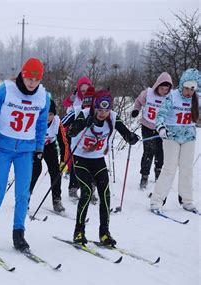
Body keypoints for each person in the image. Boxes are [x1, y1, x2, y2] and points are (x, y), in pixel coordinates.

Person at [0, 57, 50, 252]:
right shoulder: (6, 89)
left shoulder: (44, 97)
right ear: (23, 74)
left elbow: (41, 124)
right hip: (2, 148)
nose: (32, 83)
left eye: (36, 80)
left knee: (22, 194)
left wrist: (39, 149)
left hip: (25, 151)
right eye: (29, 79)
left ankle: (19, 233)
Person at [68, 90, 139, 246]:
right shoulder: (85, 113)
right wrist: (82, 124)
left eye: (106, 110)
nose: (103, 113)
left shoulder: (113, 117)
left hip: (98, 159)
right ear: (95, 106)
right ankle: (79, 232)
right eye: (100, 109)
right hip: (80, 158)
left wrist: (131, 138)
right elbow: (71, 132)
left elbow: (125, 132)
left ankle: (104, 233)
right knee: (86, 191)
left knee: (105, 194)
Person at [150, 68, 199, 214]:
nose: (189, 92)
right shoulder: (172, 96)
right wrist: (161, 127)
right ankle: (156, 201)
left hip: (189, 137)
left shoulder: (197, 98)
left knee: (187, 169)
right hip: (171, 137)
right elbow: (160, 115)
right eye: (186, 88)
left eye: (192, 89)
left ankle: (187, 201)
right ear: (182, 85)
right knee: (169, 168)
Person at [131, 72, 172, 189]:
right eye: (161, 88)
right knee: (148, 151)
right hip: (147, 126)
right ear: (157, 85)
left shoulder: (170, 97)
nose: (163, 91)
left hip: (162, 128)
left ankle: (158, 173)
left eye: (166, 89)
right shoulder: (148, 93)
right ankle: (144, 176)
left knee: (160, 151)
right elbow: (138, 101)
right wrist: (136, 110)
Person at [29, 99, 69, 212]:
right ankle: (25, 198)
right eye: (45, 113)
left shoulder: (57, 122)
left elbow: (64, 144)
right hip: (35, 147)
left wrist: (63, 161)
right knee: (36, 170)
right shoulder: (35, 120)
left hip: (49, 146)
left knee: (56, 172)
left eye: (50, 114)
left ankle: (57, 200)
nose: (47, 117)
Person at [61, 77, 94, 202]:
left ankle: (90, 189)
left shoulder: (94, 99)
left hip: (90, 137)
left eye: (86, 89)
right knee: (76, 162)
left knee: (92, 164)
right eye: (82, 90)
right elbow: (66, 109)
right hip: (75, 134)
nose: (84, 92)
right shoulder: (76, 100)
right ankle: (73, 188)